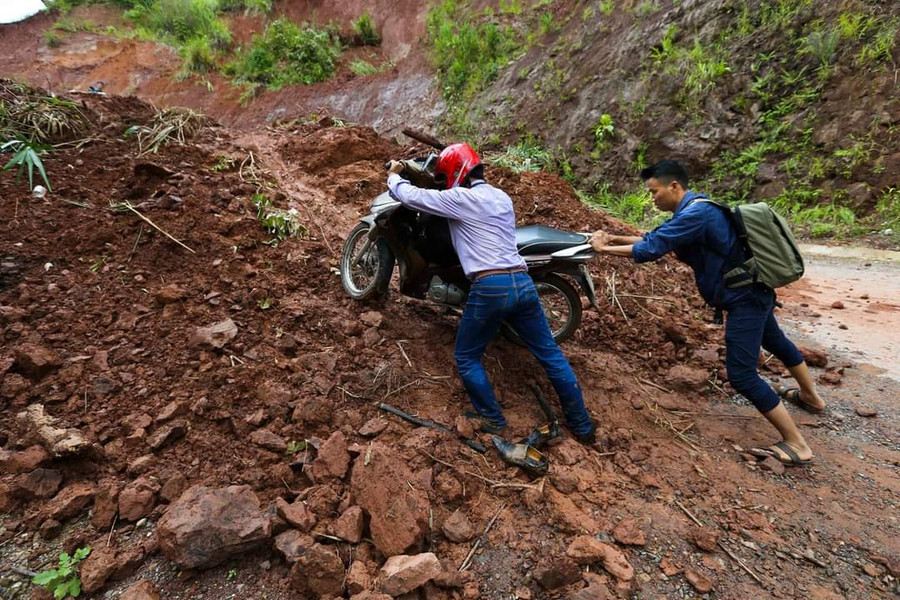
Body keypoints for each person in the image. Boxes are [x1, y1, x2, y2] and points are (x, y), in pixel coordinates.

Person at [590, 159, 825, 465]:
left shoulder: (695, 214)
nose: (652, 198)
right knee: (775, 341)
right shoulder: (694, 209)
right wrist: (613, 238)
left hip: (745, 298)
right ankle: (811, 397)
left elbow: (649, 250)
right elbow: (655, 238)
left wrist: (602, 250)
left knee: (742, 375)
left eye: (654, 191)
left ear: (674, 186)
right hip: (755, 290)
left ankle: (797, 444)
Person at [386, 143, 596, 444]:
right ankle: (582, 426)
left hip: (490, 287)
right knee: (550, 355)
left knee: (466, 356)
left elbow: (412, 197)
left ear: (455, 173)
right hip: (523, 282)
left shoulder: (461, 198)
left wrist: (395, 176)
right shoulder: (502, 197)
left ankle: (492, 418)